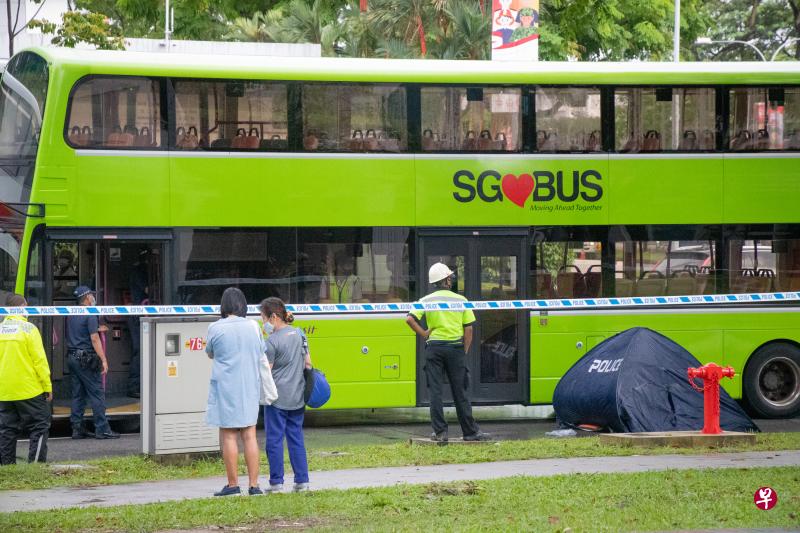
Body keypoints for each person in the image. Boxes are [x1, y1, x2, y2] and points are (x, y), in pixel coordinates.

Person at [406, 263, 490, 442]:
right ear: (444, 280)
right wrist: (464, 350)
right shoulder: (461, 300)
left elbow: (409, 319)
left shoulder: (426, 300)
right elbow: (469, 330)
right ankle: (470, 432)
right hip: (455, 349)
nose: (451, 278)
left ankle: (440, 433)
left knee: (435, 392)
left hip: (434, 349)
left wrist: (424, 334)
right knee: (460, 391)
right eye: (449, 277)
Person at [205, 287, 262, 497]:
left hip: (226, 387)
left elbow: (210, 353)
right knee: (250, 435)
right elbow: (260, 350)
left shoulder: (215, 328)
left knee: (229, 435)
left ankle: (232, 485)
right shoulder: (254, 326)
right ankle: (254, 486)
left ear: (223, 306)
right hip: (249, 386)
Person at [260, 296, 312, 493]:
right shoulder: (300, 334)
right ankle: (302, 481)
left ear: (273, 317)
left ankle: (276, 483)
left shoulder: (271, 342)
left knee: (274, 440)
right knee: (296, 438)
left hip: (277, 399)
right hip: (298, 397)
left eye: (263, 318)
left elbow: (267, 372)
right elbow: (308, 364)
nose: (263, 323)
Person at [0, 294, 52, 465]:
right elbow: (39, 361)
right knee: (40, 425)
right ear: (23, 307)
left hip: (5, 391)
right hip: (29, 388)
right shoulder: (29, 329)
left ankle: (7, 467)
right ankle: (35, 466)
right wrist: (47, 386)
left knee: (7, 429)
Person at [66, 286, 119, 440]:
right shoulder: (90, 313)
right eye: (91, 295)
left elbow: (79, 331)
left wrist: (96, 328)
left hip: (72, 357)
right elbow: (94, 338)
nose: (93, 298)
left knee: (78, 394)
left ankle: (77, 428)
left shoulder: (71, 313)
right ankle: (102, 429)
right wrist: (103, 359)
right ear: (87, 297)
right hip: (86, 359)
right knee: (97, 393)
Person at [126, 248, 150, 398]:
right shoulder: (139, 272)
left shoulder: (138, 270)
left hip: (140, 313)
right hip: (138, 315)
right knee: (139, 350)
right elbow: (148, 290)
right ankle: (134, 386)